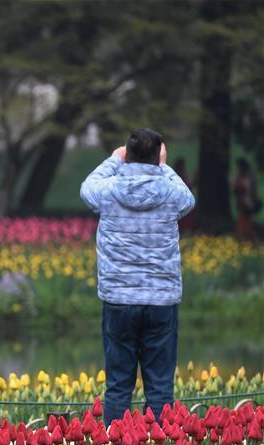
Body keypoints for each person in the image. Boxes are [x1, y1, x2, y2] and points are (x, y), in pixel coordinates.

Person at [80, 128, 195, 426]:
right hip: (161, 301)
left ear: (127, 156)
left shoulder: (107, 191)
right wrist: (163, 166)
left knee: (118, 386)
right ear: (158, 158)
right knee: (160, 387)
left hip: (119, 300)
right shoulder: (171, 192)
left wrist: (114, 159)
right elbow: (189, 200)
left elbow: (86, 186)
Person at [233, 158, 260, 241]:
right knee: (243, 220)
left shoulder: (248, 176)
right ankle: (245, 237)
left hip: (247, 202)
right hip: (242, 202)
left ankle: (247, 237)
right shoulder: (242, 175)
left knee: (245, 220)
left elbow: (247, 188)